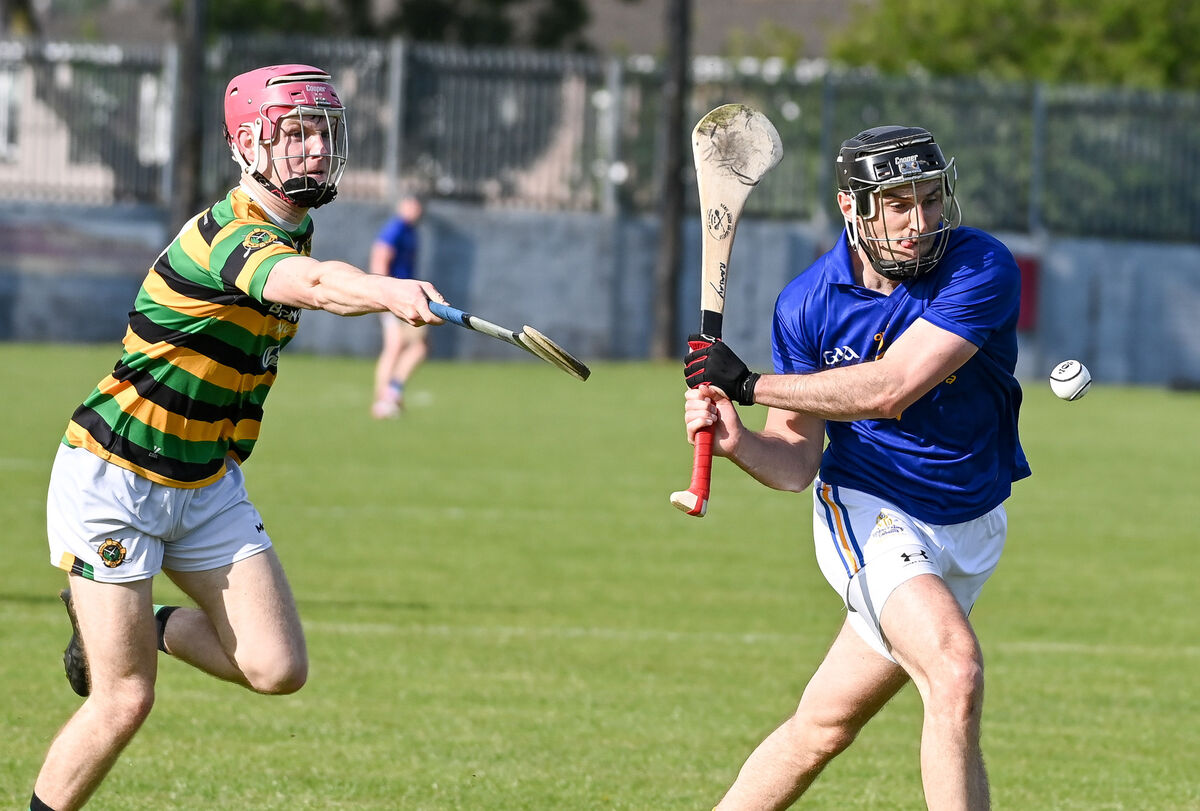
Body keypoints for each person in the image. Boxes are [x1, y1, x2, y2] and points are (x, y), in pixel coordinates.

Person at [30, 64, 447, 811]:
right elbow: (311, 286)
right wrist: (386, 291)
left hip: (206, 481)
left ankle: (147, 624)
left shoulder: (295, 228)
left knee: (278, 668)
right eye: (296, 133)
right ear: (248, 144)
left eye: (323, 132)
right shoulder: (225, 237)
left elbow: (304, 274)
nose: (316, 148)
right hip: (114, 474)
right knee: (124, 699)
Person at [682, 125, 1030, 810]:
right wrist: (739, 442)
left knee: (823, 726)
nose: (919, 221)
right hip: (873, 512)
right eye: (898, 204)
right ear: (852, 206)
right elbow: (795, 463)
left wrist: (749, 385)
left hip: (973, 521)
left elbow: (894, 386)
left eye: (930, 199)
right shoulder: (808, 304)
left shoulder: (979, 266)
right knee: (955, 672)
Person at [370, 195, 429, 417]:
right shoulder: (396, 228)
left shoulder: (411, 231)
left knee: (418, 347)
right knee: (395, 347)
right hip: (394, 298)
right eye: (411, 205)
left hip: (405, 298)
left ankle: (390, 393)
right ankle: (383, 400)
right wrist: (384, 293)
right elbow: (380, 256)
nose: (415, 210)